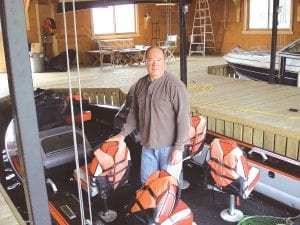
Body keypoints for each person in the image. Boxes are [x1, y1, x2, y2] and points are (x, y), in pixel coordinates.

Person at [108, 46, 190, 184]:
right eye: (150, 60)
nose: (155, 64)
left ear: (165, 62)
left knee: (167, 188)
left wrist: (178, 149)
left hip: (169, 148)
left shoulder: (175, 86)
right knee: (146, 185)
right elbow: (134, 112)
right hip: (147, 146)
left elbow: (183, 119)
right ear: (145, 62)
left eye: (158, 60)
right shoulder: (140, 84)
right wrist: (122, 134)